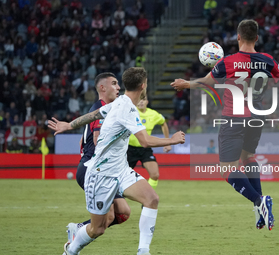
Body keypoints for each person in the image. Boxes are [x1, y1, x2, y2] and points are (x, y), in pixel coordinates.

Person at [171, 19, 279, 231]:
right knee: (248, 157)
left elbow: (206, 82)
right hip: (257, 117)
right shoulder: (267, 60)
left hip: (234, 119)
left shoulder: (228, 62)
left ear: (238, 37)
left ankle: (259, 201)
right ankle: (259, 208)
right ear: (257, 38)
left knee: (226, 169)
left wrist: (185, 84)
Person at [48, 67, 185, 255]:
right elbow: (145, 141)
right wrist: (173, 139)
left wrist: (69, 125)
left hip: (120, 170)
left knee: (151, 199)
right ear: (143, 86)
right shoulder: (127, 108)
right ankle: (70, 251)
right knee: (98, 229)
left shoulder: (120, 101)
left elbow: (95, 114)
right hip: (101, 174)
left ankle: (143, 251)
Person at [66, 72, 131, 244]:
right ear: (102, 88)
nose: (119, 87)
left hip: (102, 169)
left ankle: (79, 229)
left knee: (123, 213)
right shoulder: (101, 108)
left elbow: (83, 139)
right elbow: (98, 139)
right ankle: (77, 236)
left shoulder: (103, 109)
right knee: (107, 218)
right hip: (93, 169)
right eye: (114, 83)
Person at [128, 95, 171, 190]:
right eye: (139, 99)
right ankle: (117, 197)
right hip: (128, 149)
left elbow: (163, 123)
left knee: (155, 174)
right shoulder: (130, 112)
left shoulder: (154, 114)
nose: (141, 102)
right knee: (120, 175)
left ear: (147, 101)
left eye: (143, 99)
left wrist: (167, 142)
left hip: (145, 148)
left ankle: (148, 195)